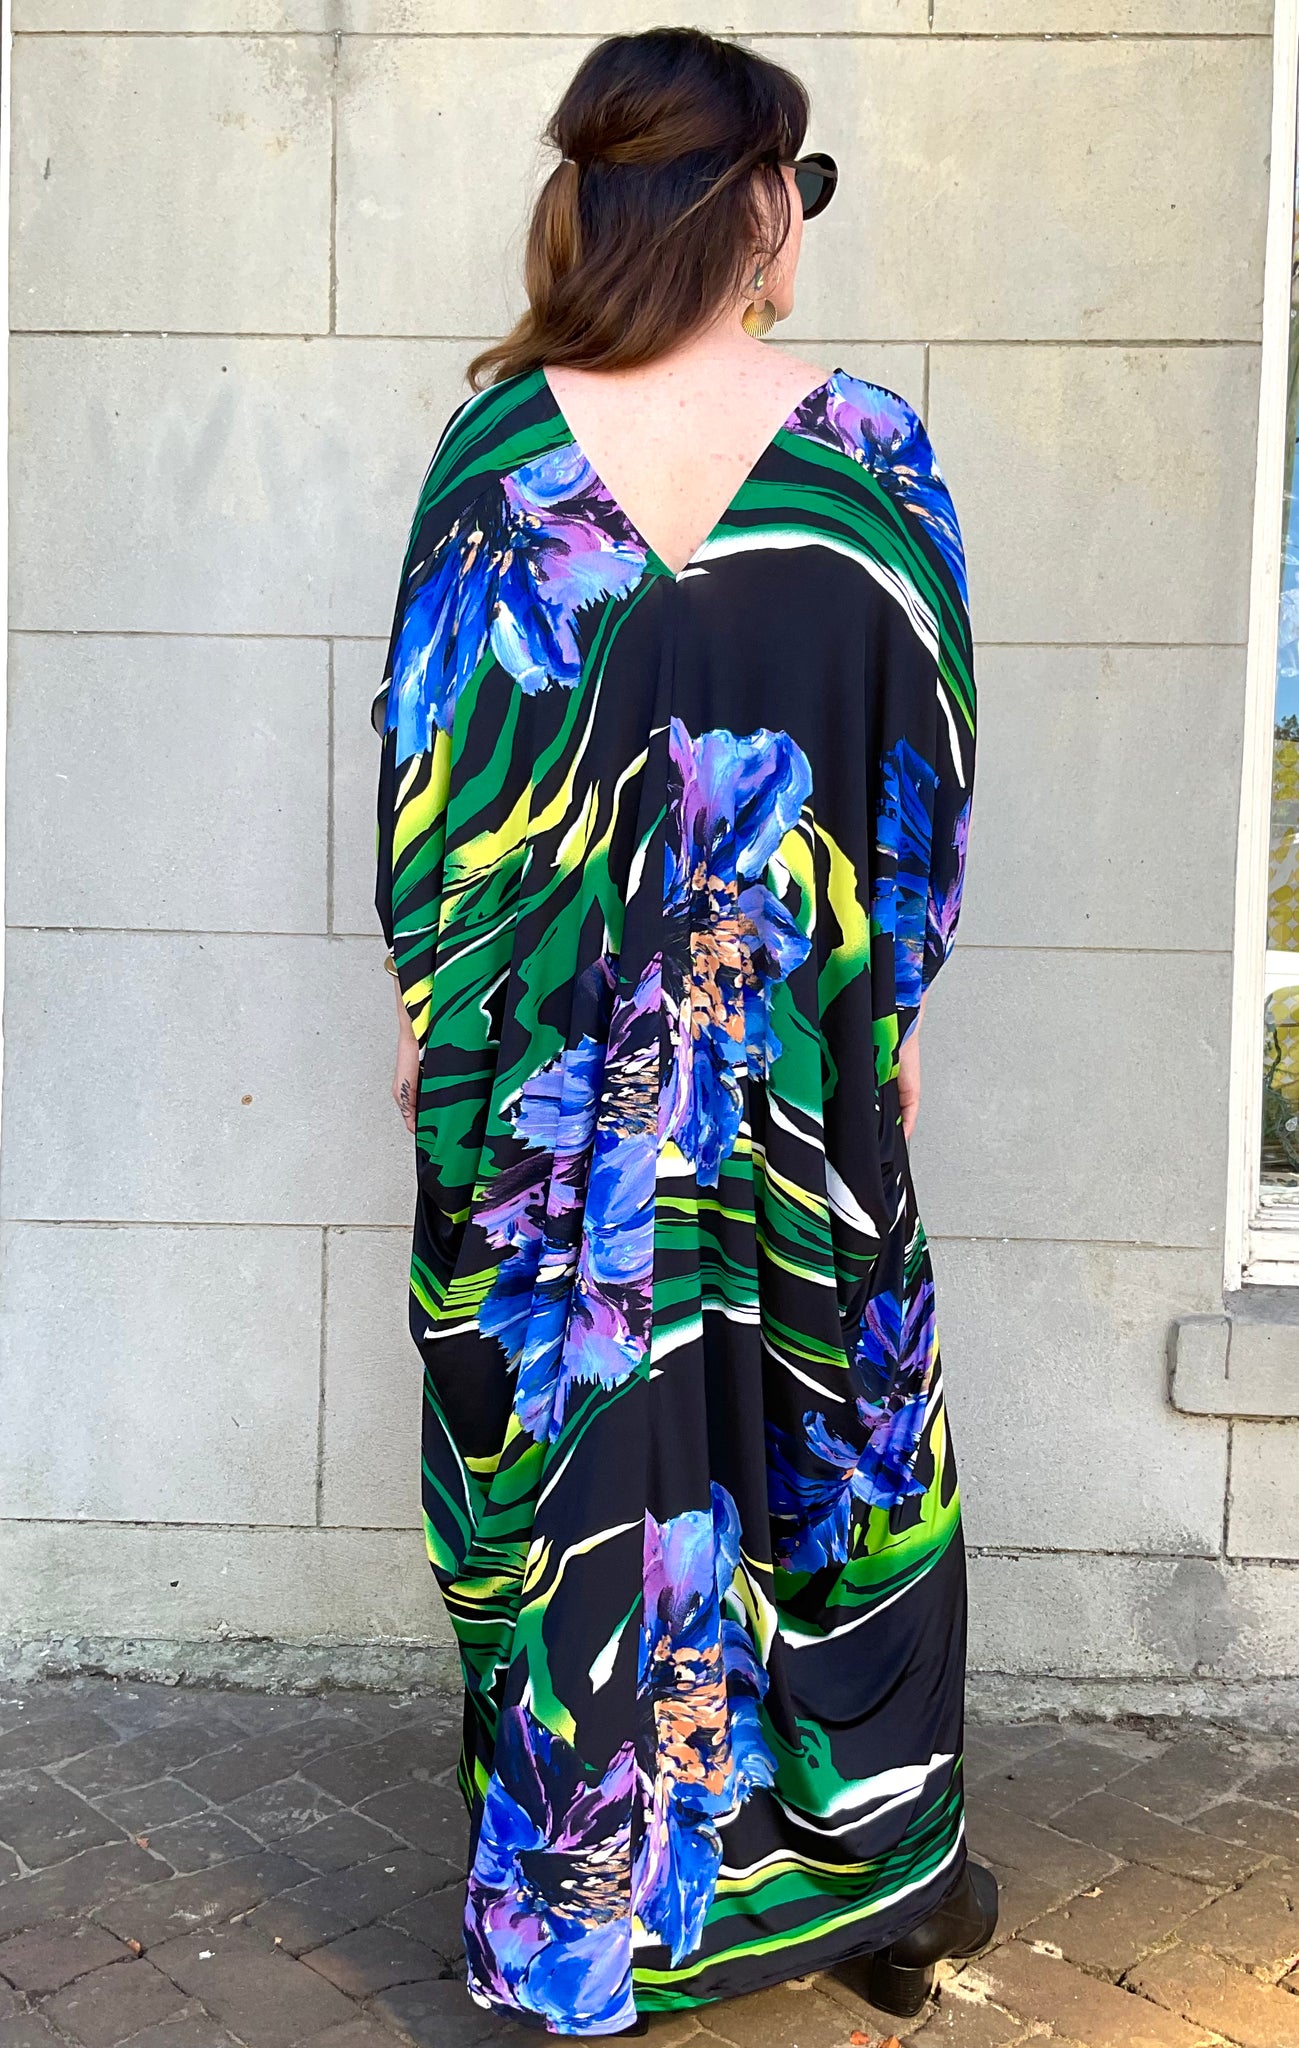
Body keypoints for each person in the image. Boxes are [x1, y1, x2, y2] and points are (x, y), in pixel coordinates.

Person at [373, 25, 995, 2040]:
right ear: (742, 206)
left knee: (575, 1487)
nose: (802, 223)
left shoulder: (493, 461)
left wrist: (434, 1020)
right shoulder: (868, 456)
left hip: (550, 1102)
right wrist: (887, 1003)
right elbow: (924, 776)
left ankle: (595, 1918)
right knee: (824, 1458)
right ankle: (870, 1874)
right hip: (793, 1063)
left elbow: (432, 792)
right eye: (797, 185)